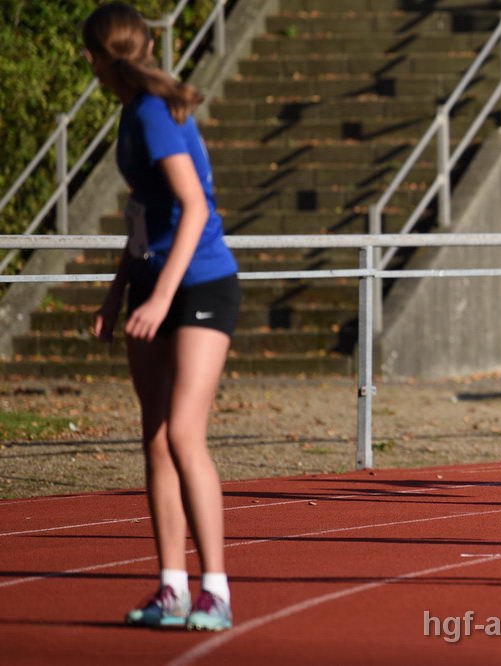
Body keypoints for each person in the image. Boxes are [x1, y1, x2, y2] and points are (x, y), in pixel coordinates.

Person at [86, 2, 239, 631]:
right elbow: (145, 215)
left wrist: (159, 296)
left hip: (201, 281)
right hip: (153, 281)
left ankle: (216, 591)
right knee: (154, 438)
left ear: (98, 58)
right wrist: (118, 291)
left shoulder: (153, 114)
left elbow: (193, 209)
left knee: (183, 433)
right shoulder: (133, 112)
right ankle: (172, 588)